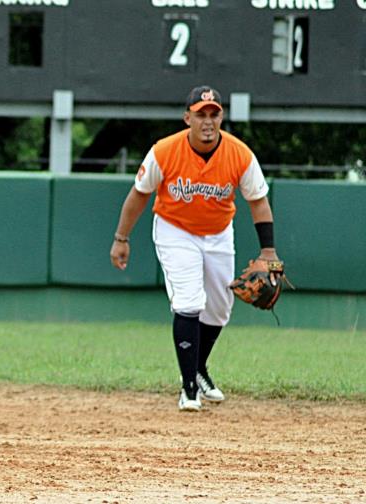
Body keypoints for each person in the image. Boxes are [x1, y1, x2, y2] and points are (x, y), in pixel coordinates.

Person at [109, 85, 280, 412]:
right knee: (189, 300)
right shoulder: (164, 151)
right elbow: (139, 195)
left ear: (222, 117)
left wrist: (268, 252)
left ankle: (199, 369)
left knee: (219, 308)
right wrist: (121, 238)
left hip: (218, 232)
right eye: (200, 113)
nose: (207, 120)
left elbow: (258, 202)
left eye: (214, 113)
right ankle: (189, 389)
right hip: (176, 231)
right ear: (187, 117)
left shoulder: (239, 154)